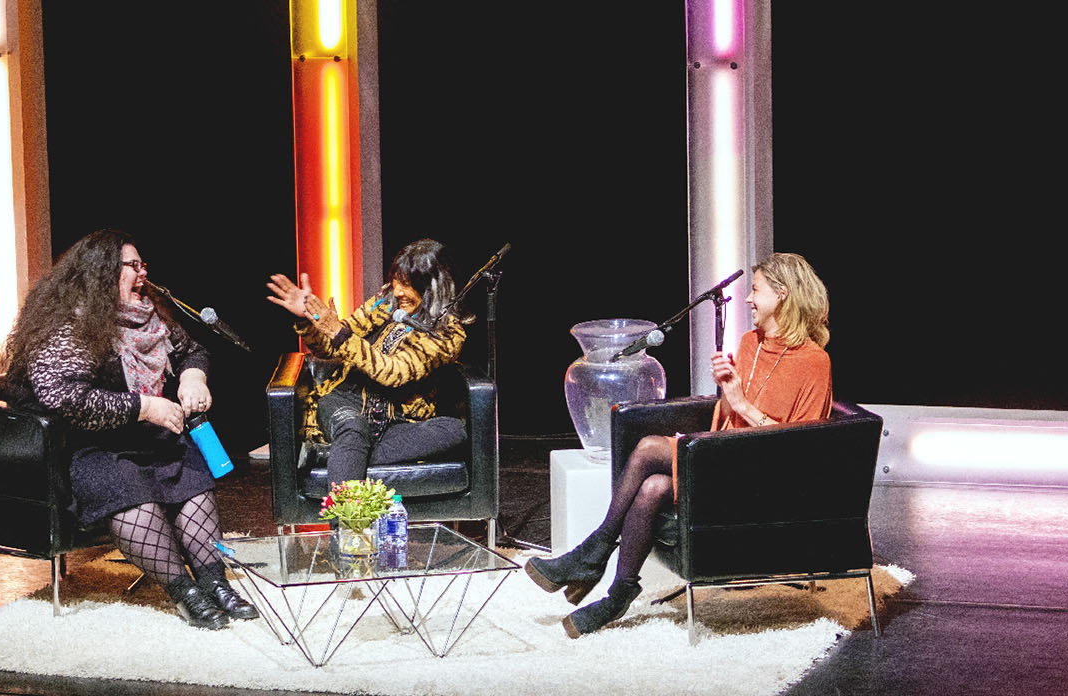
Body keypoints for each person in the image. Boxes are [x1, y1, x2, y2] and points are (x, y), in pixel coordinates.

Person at [526, 252, 834, 638]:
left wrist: (739, 402)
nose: (750, 300)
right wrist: (727, 395)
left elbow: (799, 449)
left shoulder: (814, 361)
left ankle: (594, 553)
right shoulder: (750, 342)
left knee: (647, 449)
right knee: (653, 487)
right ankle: (619, 592)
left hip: (762, 477)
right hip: (723, 457)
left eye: (756, 291)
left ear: (783, 295)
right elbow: (727, 414)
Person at [4, 228, 256, 630]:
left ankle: (215, 583)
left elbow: (192, 350)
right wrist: (144, 406)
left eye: (143, 265)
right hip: (93, 445)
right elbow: (63, 397)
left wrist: (193, 379)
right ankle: (185, 593)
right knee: (124, 486)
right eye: (132, 266)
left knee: (191, 476)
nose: (143, 273)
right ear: (102, 273)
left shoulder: (150, 315)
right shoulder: (73, 325)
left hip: (148, 436)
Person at [266, 239, 471, 487]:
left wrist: (339, 334)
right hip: (345, 401)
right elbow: (331, 347)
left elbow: (394, 372)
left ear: (431, 287)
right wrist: (310, 320)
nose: (397, 291)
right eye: (396, 280)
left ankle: (333, 456)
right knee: (353, 428)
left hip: (397, 420)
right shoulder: (384, 303)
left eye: (407, 284)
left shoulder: (447, 332)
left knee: (453, 430)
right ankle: (348, 522)